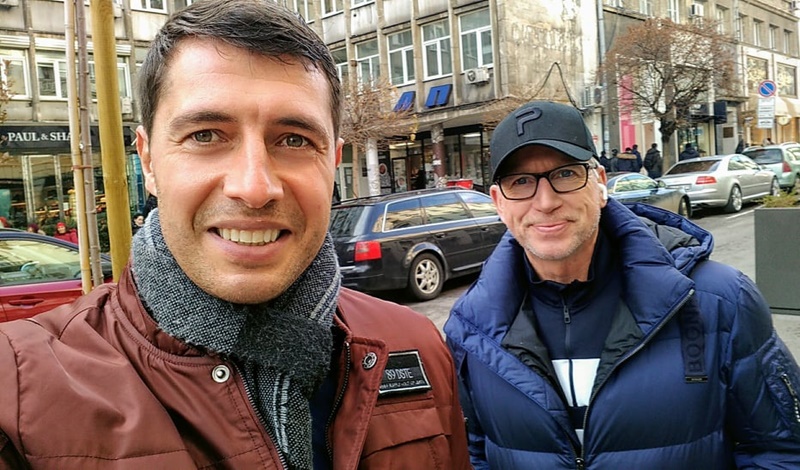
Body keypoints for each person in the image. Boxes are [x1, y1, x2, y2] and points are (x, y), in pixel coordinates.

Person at [0, 1, 470, 468]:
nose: (254, 187)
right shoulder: (17, 393)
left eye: (294, 140)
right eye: (205, 135)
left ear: (332, 162)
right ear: (148, 160)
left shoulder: (415, 345)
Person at [443, 100, 800, 468]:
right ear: (499, 203)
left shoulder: (719, 301)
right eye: (520, 182)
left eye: (565, 174)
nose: (545, 202)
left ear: (599, 184)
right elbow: (473, 455)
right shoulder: (471, 328)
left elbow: (781, 451)